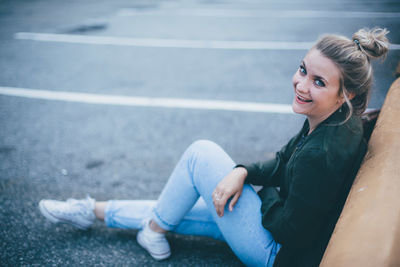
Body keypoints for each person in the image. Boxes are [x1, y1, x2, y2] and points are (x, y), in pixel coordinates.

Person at [38, 27, 389, 267]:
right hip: (277, 234)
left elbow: (289, 229)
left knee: (201, 154)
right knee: (178, 206)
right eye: (302, 70)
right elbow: (283, 161)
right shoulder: (335, 120)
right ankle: (91, 210)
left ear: (347, 93)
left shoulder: (324, 151)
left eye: (318, 81)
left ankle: (153, 229)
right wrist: (242, 172)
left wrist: (256, 189)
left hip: (274, 252)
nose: (301, 84)